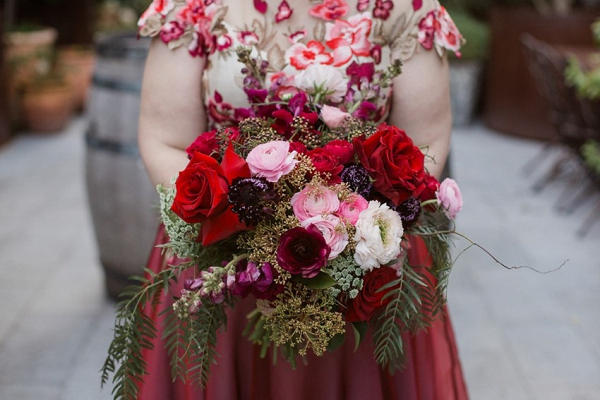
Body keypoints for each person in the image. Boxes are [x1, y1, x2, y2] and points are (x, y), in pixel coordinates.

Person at [136, 0, 468, 398]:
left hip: (363, 269)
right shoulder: (190, 7)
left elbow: (424, 145)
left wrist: (342, 235)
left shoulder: (408, 9)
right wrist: (255, 232)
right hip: (222, 262)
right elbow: (164, 141)